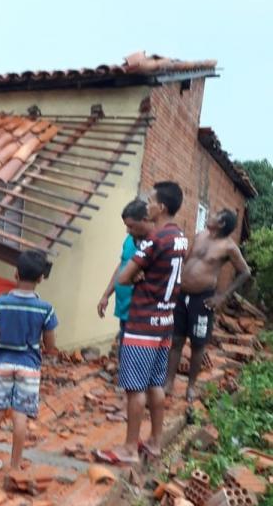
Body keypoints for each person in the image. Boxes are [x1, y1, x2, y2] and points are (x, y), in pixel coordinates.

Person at [96, 182, 188, 465]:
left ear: (160, 207)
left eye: (150, 200)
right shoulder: (180, 237)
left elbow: (125, 276)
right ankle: (155, 442)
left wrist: (136, 276)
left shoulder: (154, 239)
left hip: (143, 323)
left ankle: (128, 449)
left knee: (135, 388)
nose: (147, 204)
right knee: (155, 385)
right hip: (164, 322)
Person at [0, 250, 58, 473]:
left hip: (3, 364)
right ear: (41, 278)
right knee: (20, 416)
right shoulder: (46, 309)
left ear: (15, 274)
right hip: (29, 367)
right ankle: (14, 467)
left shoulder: (1, 303)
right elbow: (50, 345)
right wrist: (46, 348)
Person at [165, 209, 251, 402]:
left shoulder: (229, 247)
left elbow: (245, 272)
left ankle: (191, 387)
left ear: (220, 224)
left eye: (214, 215)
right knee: (176, 340)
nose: (209, 216)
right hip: (181, 295)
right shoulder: (200, 235)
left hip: (202, 300)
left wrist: (222, 297)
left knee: (198, 344)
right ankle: (169, 383)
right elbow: (187, 261)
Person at [97, 198, 151, 335]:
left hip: (141, 314)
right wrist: (105, 295)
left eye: (131, 226)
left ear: (145, 220)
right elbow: (122, 266)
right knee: (123, 350)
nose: (127, 230)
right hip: (124, 309)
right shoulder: (129, 240)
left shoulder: (155, 244)